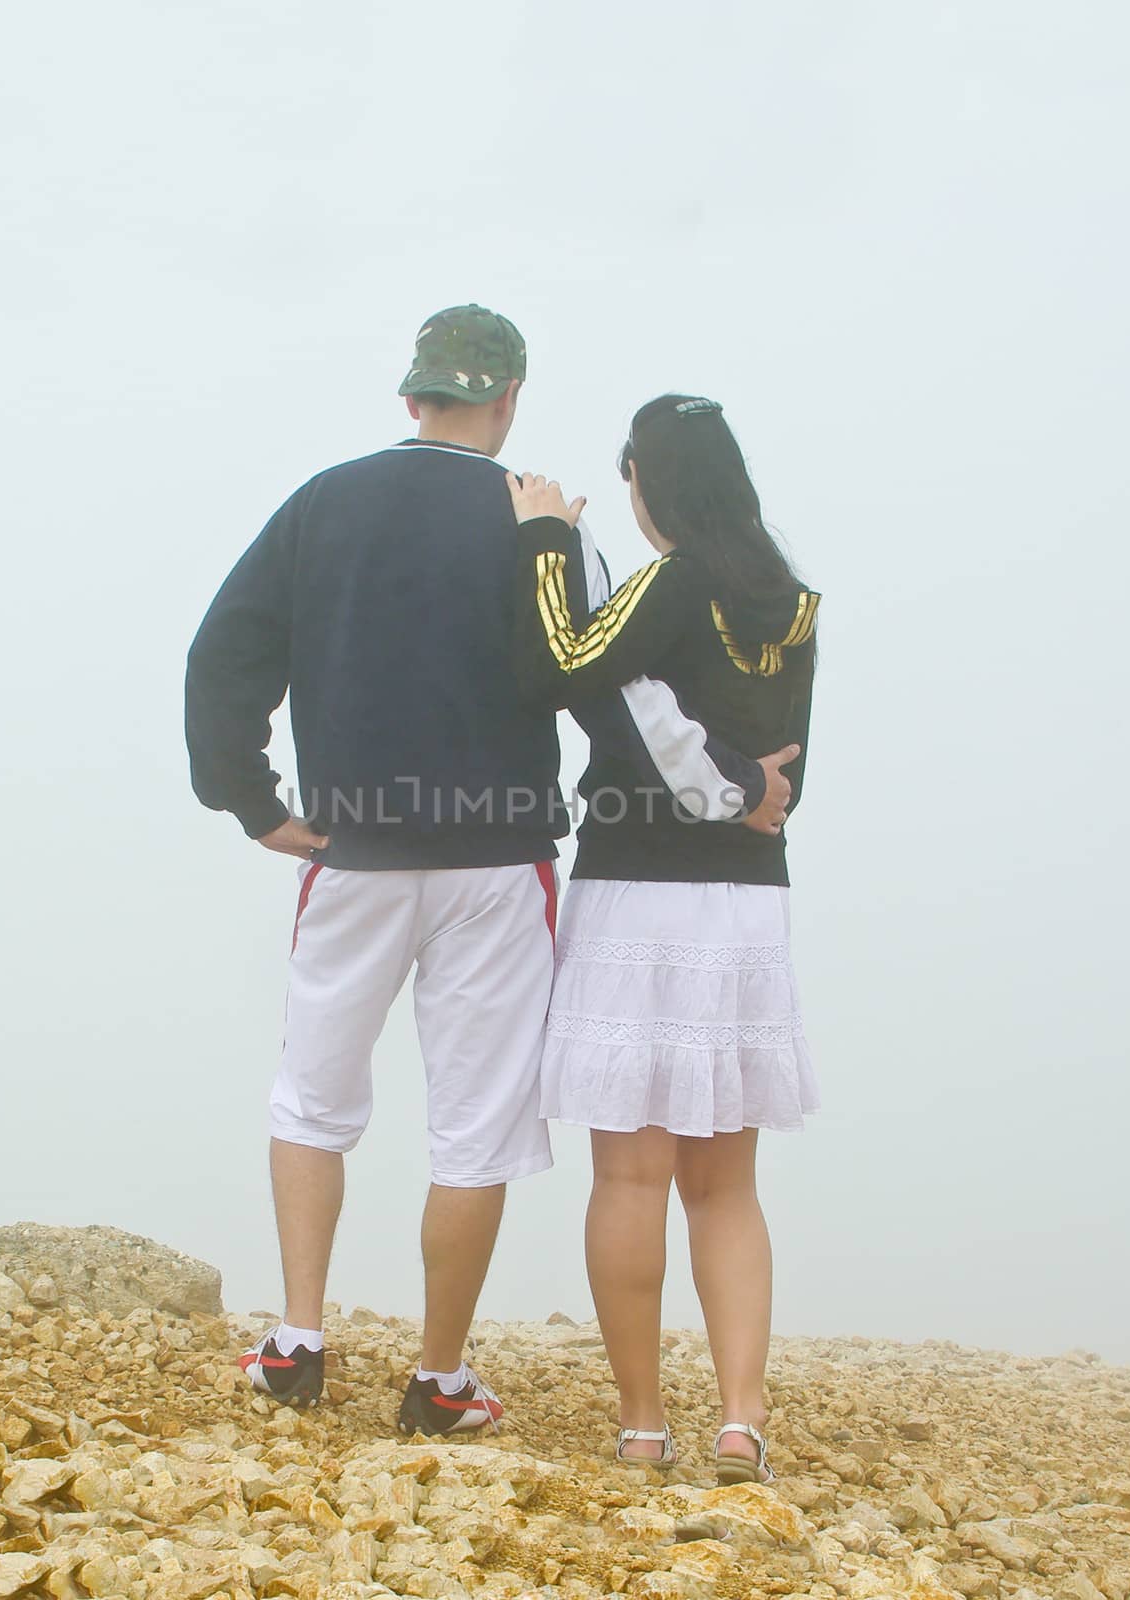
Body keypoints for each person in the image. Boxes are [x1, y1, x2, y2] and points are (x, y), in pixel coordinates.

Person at [184, 310, 798, 1438]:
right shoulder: (546, 522)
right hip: (501, 859)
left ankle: (297, 1344)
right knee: (472, 1124)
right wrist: (731, 784)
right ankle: (440, 1375)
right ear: (510, 397)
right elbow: (614, 686)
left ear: (410, 394)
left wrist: (254, 799)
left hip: (355, 846)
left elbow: (223, 652)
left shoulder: (322, 502)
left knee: (313, 1096)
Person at [506, 395, 820, 1484]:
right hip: (746, 905)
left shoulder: (670, 580)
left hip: (640, 891)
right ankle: (742, 1419)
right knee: (727, 1184)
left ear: (648, 479)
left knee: (632, 1179)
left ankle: (643, 1425)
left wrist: (547, 536)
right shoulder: (793, 602)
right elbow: (783, 780)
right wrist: (746, 792)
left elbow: (564, 658)